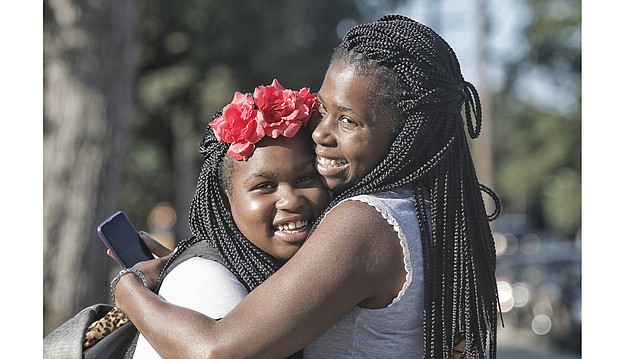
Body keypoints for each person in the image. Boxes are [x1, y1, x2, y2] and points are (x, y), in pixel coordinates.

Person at [113, 15, 501, 358]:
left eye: (348, 121)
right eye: (323, 111)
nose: (321, 133)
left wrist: (128, 290)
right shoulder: (430, 212)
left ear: (406, 134)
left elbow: (216, 351)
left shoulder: (366, 223)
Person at [109, 80, 330, 358]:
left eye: (305, 178)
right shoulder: (209, 281)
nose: (291, 199)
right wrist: (128, 289)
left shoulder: (267, 267)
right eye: (265, 186)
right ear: (225, 200)